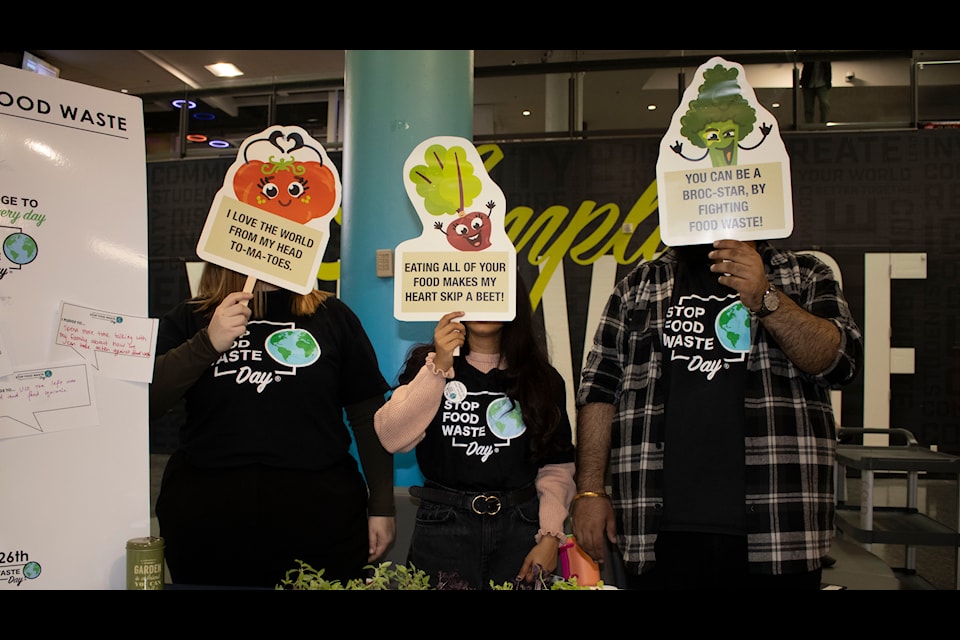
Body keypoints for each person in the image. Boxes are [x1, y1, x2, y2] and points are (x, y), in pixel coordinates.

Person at [572, 239, 863, 590]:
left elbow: (839, 364)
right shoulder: (640, 284)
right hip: (655, 531)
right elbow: (599, 388)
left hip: (780, 530)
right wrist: (589, 491)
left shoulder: (805, 274)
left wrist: (766, 297)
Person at [152, 262, 396, 588]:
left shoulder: (332, 315)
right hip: (207, 517)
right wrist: (206, 343)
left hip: (321, 518)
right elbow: (149, 401)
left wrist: (382, 505)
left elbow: (368, 415)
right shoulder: (190, 316)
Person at [374, 275, 576, 590]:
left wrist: (550, 536)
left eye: (495, 290)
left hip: (521, 527)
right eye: (476, 290)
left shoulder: (543, 379)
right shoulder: (424, 367)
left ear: (514, 301)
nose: (484, 302)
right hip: (443, 524)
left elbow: (556, 467)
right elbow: (391, 437)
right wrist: (438, 366)